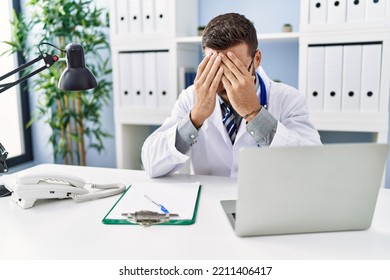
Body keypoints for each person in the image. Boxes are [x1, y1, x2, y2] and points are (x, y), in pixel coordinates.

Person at [141, 13, 321, 178]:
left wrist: (254, 113)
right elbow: (151, 164)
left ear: (256, 59)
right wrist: (195, 117)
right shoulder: (190, 97)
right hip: (208, 203)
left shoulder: (288, 99)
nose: (226, 81)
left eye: (235, 69)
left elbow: (313, 166)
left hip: (267, 203)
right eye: (217, 68)